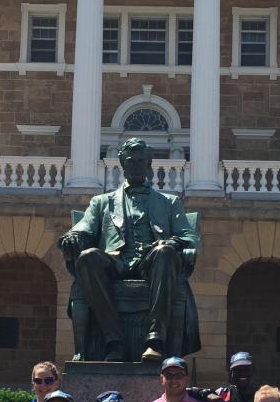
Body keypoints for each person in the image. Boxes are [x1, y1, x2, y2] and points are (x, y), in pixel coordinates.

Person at [59, 136, 201, 363]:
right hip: (115, 263)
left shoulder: (169, 202)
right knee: (88, 257)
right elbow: (83, 229)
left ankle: (154, 341)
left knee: (165, 252)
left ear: (148, 164)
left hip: (152, 262)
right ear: (122, 164)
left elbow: (189, 237)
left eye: (140, 161)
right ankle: (113, 340)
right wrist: (73, 237)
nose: (135, 165)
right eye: (130, 161)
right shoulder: (101, 202)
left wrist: (170, 243)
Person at [188, 351, 261, 402]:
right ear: (231, 374)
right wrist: (207, 395)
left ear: (254, 371)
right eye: (237, 370)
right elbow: (190, 391)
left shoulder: (264, 397)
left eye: (246, 369)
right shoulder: (223, 393)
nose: (242, 373)